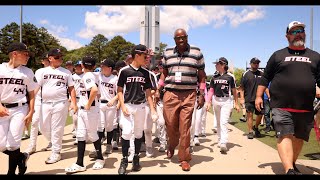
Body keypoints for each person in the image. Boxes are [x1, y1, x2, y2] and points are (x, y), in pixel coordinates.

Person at [256, 21, 320, 175]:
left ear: (304, 34)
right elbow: (265, 78)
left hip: (305, 107)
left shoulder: (315, 56)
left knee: (299, 138)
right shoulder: (278, 55)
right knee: (285, 134)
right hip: (281, 105)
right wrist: (258, 96)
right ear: (287, 36)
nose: (298, 33)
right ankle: (289, 170)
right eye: (294, 31)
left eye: (301, 30)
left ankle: (291, 163)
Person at [155, 28, 206, 171]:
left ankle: (184, 157)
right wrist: (158, 90)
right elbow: (163, 74)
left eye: (184, 37)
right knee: (170, 123)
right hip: (170, 93)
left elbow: (202, 75)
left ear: (187, 37)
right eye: (178, 38)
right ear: (174, 40)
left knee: (185, 128)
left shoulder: (197, 52)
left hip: (189, 94)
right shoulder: (167, 53)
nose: (181, 40)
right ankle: (172, 143)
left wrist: (201, 94)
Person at [117, 44, 157, 175]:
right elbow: (119, 90)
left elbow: (148, 93)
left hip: (140, 106)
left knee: (139, 133)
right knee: (127, 132)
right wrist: (122, 106)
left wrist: (152, 109)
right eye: (145, 56)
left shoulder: (145, 73)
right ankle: (123, 160)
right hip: (128, 105)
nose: (146, 59)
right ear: (137, 55)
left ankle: (136, 158)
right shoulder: (124, 71)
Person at [0, 42, 37, 175]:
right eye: (25, 54)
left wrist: (31, 112)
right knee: (1, 145)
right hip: (2, 109)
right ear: (15, 54)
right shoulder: (1, 69)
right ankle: (21, 157)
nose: (28, 57)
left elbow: (31, 93)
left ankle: (11, 172)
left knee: (13, 144)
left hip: (20, 109)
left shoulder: (27, 71)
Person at [65, 56, 105, 174]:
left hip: (89, 110)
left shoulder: (88, 76)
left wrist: (88, 103)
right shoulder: (93, 75)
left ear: (82, 65)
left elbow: (94, 90)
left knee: (92, 135)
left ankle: (100, 158)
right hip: (85, 110)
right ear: (93, 66)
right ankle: (79, 163)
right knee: (80, 135)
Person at [37, 48, 78, 164]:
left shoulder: (66, 72)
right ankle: (54, 142)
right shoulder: (41, 71)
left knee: (57, 128)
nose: (60, 59)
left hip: (61, 103)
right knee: (43, 128)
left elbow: (71, 88)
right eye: (57, 57)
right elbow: (35, 87)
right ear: (50, 58)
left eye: (61, 57)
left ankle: (56, 152)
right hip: (45, 103)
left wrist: (74, 103)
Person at [206, 57, 240, 153]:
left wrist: (236, 103)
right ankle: (220, 139)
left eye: (217, 64)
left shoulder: (230, 76)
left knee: (223, 122)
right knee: (218, 121)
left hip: (226, 100)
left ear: (223, 65)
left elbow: (234, 90)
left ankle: (224, 142)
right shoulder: (214, 77)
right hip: (216, 100)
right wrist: (208, 102)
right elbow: (211, 90)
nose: (215, 65)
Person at [25, 52, 50, 155]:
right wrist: (31, 99)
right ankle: (32, 145)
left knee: (46, 125)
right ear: (42, 61)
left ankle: (53, 141)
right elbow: (35, 86)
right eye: (45, 59)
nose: (46, 61)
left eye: (48, 59)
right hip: (39, 100)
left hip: (49, 101)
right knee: (35, 122)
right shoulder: (39, 71)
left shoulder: (57, 71)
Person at [239, 57, 264, 139]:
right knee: (249, 114)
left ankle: (256, 127)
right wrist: (242, 98)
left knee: (260, 114)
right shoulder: (245, 74)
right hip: (249, 98)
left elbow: (265, 86)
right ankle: (250, 131)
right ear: (250, 64)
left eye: (257, 63)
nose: (256, 64)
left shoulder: (262, 73)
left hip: (259, 99)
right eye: (254, 63)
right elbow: (241, 88)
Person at [69, 60, 84, 144]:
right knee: (75, 119)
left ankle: (83, 135)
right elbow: (69, 89)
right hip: (75, 99)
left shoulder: (86, 75)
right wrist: (70, 98)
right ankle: (77, 135)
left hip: (83, 99)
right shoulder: (72, 76)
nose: (78, 67)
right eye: (77, 66)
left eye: (80, 66)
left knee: (83, 117)